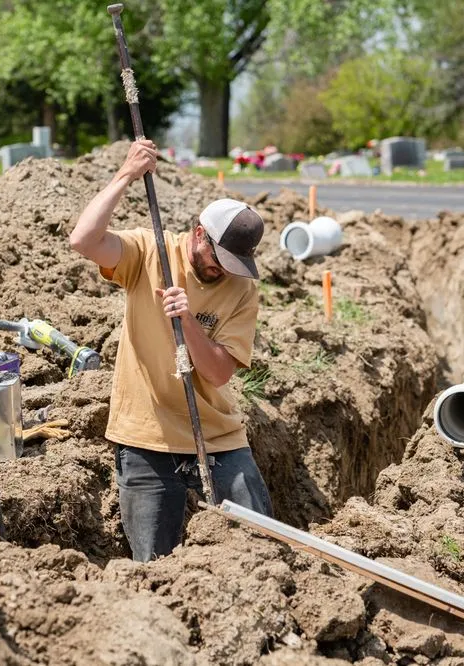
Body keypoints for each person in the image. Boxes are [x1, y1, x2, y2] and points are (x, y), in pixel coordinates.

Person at [70, 140, 273, 562]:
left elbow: (218, 373)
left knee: (261, 547)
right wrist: (127, 174)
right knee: (152, 564)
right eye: (217, 258)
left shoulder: (242, 289)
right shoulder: (149, 252)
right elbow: (83, 240)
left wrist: (187, 323)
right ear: (199, 233)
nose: (221, 271)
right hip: (145, 436)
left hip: (217, 436)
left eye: (234, 264)